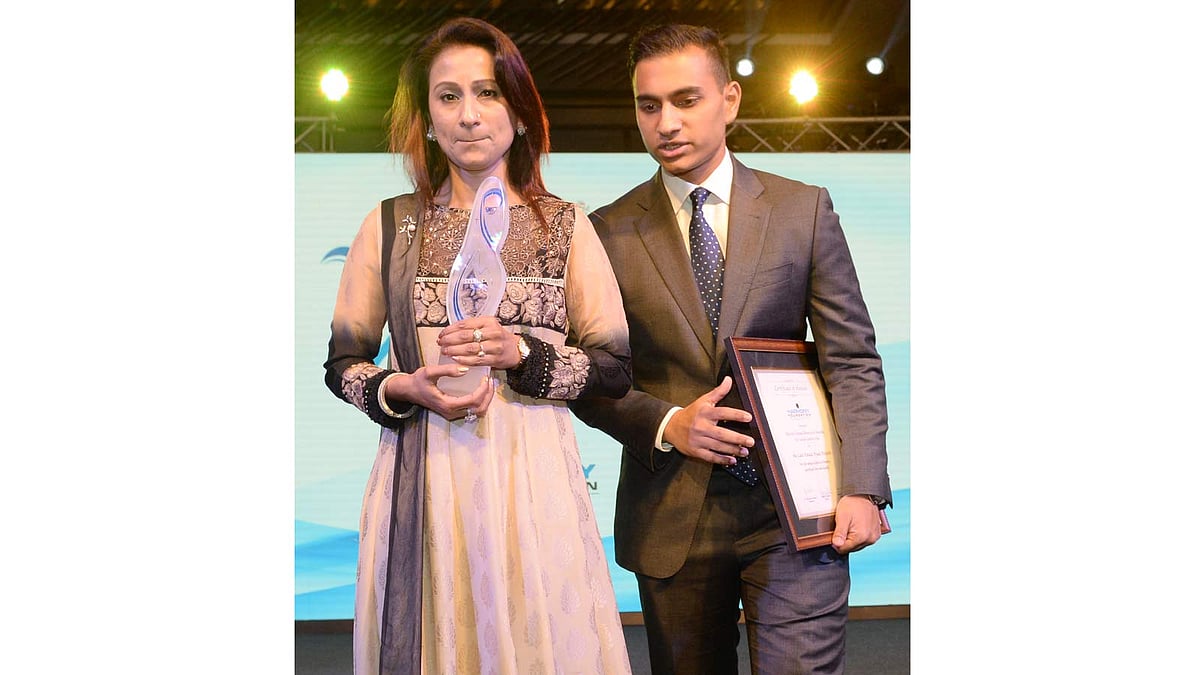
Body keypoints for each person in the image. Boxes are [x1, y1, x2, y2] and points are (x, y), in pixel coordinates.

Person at [569, 23, 893, 674]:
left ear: (731, 100)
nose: (666, 121)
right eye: (648, 104)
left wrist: (862, 484)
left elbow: (851, 357)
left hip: (799, 511)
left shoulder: (802, 210)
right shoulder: (603, 231)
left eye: (686, 100)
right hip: (671, 516)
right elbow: (590, 378)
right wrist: (667, 422)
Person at [323, 17, 634, 675]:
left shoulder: (565, 226)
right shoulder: (391, 226)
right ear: (428, 119)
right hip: (423, 476)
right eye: (448, 96)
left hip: (535, 481)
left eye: (488, 93)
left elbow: (610, 367)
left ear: (520, 113)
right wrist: (397, 387)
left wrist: (522, 353)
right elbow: (344, 362)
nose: (469, 115)